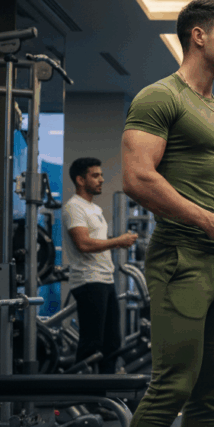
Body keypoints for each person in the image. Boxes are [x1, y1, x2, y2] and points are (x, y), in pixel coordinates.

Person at [121, 0, 214, 427]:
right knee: (173, 386)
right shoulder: (159, 97)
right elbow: (137, 177)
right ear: (198, 36)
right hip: (180, 255)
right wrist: (205, 218)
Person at [63, 157, 137, 373]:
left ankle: (105, 389)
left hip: (104, 279)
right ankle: (81, 390)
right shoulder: (74, 207)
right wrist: (118, 241)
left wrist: (117, 241)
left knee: (112, 343)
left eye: (101, 175)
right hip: (89, 280)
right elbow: (84, 244)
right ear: (80, 180)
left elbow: (95, 241)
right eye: (95, 175)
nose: (101, 179)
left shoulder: (93, 208)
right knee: (91, 344)